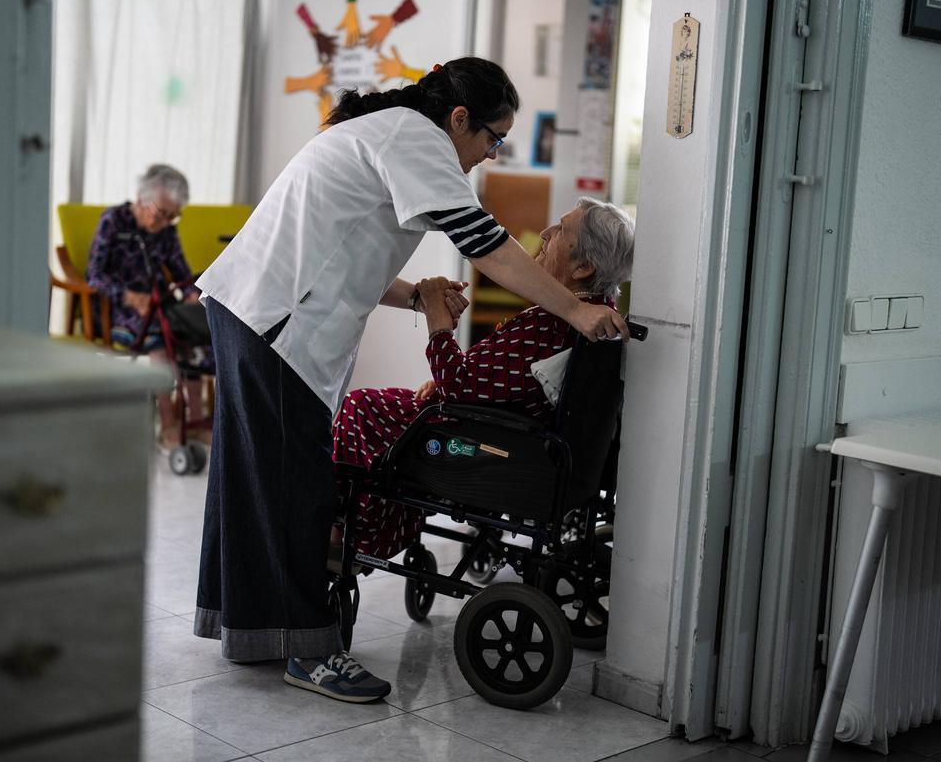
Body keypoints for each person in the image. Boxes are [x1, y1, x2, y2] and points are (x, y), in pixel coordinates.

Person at [192, 57, 630, 704]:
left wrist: (417, 297)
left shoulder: (389, 132)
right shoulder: (415, 136)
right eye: (492, 138)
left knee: (256, 474)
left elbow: (342, 249)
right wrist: (573, 307)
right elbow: (483, 240)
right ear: (459, 119)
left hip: (253, 306)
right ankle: (308, 651)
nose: (490, 154)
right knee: (294, 483)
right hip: (273, 318)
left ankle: (254, 629)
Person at [335, 198, 635, 562]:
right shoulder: (598, 317)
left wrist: (437, 321)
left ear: (584, 266)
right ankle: (379, 529)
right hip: (506, 430)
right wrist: (449, 379)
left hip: (478, 441)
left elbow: (459, 385)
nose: (545, 232)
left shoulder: (549, 324)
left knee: (361, 406)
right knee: (394, 407)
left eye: (560, 230)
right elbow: (494, 382)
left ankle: (345, 535)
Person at [85, 164, 205, 449]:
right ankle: (168, 424)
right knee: (159, 340)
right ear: (141, 199)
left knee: (195, 335)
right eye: (161, 214)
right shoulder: (113, 221)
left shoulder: (166, 232)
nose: (165, 223)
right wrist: (128, 297)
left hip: (159, 308)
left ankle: (196, 422)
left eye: (173, 217)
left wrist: (191, 294)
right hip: (117, 312)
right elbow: (94, 276)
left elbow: (181, 272)